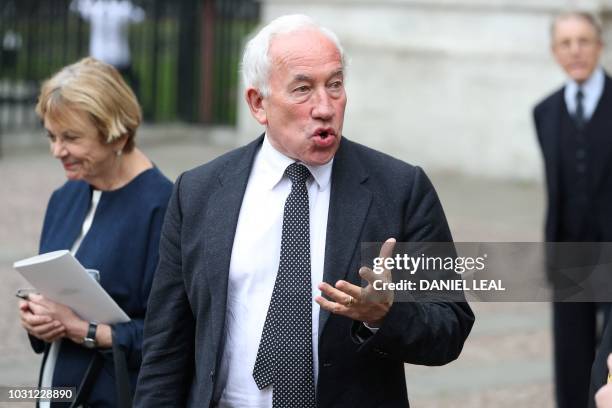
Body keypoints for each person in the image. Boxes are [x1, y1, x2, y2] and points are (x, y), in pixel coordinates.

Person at [134, 14, 474, 407]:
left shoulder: (399, 189)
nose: (325, 107)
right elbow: (165, 345)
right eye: (302, 90)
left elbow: (450, 327)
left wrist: (383, 314)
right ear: (258, 103)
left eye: (335, 85)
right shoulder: (199, 192)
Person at [17, 57, 172, 406]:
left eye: (70, 137)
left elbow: (172, 337)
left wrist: (83, 330)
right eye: (51, 136)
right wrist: (38, 318)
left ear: (117, 133)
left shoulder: (164, 208)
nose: (57, 151)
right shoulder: (65, 196)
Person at [533, 11, 612, 408]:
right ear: (554, 52)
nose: (575, 50)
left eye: (583, 40)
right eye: (566, 43)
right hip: (570, 253)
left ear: (600, 45)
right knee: (571, 357)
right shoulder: (544, 112)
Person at [70, 0, 144, 97]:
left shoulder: (94, 7)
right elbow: (139, 16)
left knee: (104, 87)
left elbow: (76, 7)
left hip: (101, 56)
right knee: (124, 84)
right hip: (119, 56)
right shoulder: (122, 8)